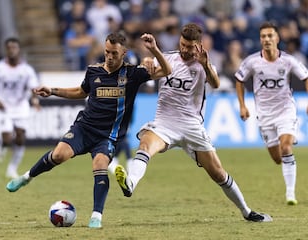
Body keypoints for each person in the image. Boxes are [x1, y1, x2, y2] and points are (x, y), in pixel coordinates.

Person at [6, 32, 172, 228]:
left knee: (100, 165)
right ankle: (26, 177)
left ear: (124, 53)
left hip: (107, 136)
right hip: (84, 127)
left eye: (114, 54)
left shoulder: (133, 74)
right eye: (107, 52)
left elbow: (167, 70)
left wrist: (153, 50)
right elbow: (80, 91)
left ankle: (96, 216)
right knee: (59, 155)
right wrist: (52, 91)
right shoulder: (94, 71)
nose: (109, 57)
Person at [115, 23, 272, 222]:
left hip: (192, 127)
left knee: (219, 174)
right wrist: (148, 58)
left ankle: (247, 211)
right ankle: (130, 183)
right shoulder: (168, 58)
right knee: (145, 146)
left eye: (190, 47)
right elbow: (149, 69)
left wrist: (206, 64)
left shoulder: (204, 64)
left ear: (198, 45)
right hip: (164, 123)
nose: (185, 50)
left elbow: (215, 83)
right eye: (183, 45)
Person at [235, 21, 308, 205]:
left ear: (277, 38)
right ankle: (288, 139)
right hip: (265, 115)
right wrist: (242, 106)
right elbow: (239, 80)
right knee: (277, 159)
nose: (267, 39)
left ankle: (290, 194)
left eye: (270, 36)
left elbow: (306, 77)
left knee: (286, 148)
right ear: (260, 40)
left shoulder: (288, 60)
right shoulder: (252, 61)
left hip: (286, 110)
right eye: (263, 36)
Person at [0, 37, 40, 179]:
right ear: (6, 50)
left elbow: (34, 88)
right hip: (4, 107)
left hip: (21, 106)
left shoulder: (27, 70)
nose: (12, 50)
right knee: (8, 138)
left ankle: (12, 169)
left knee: (21, 138)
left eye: (14, 47)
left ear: (19, 49)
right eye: (9, 48)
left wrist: (34, 100)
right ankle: (3, 144)